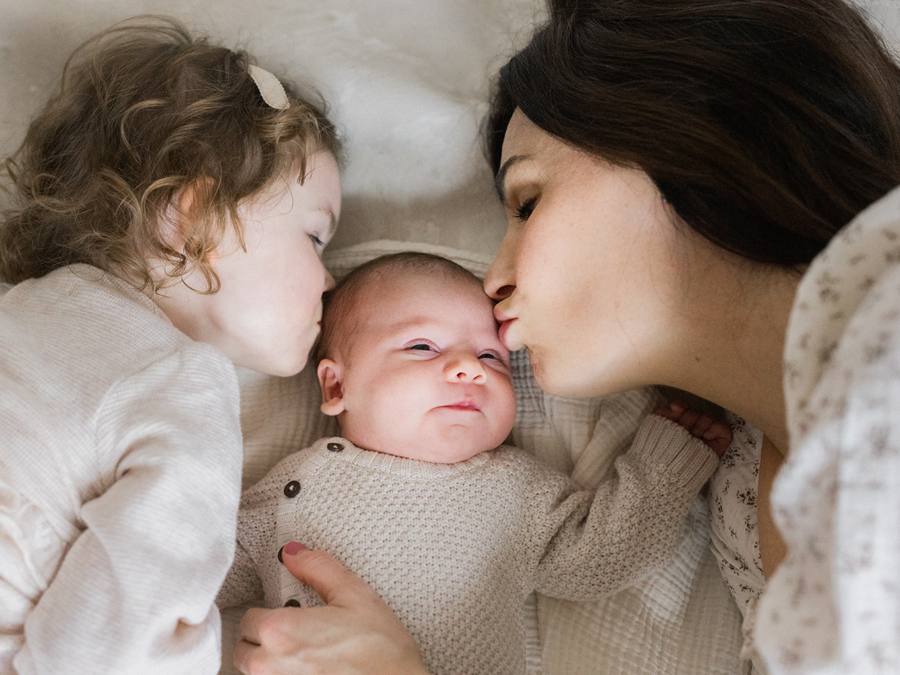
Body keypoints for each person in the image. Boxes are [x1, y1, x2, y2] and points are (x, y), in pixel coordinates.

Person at [231, 1, 900, 675]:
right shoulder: (738, 497)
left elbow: (593, 547)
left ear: (692, 141)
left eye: (528, 202)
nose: (491, 280)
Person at [0, 17, 341, 675]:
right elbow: (128, 630)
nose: (330, 277)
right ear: (192, 219)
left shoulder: (22, 309)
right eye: (316, 237)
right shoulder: (181, 382)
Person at [221, 251, 727, 675]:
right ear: (336, 385)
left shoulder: (515, 488)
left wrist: (666, 463)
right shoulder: (299, 482)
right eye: (422, 346)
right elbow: (211, 565)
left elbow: (597, 558)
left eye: (491, 358)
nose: (468, 368)